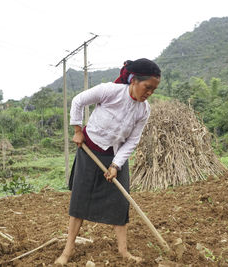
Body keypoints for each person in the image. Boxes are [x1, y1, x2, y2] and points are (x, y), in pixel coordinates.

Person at [55, 58, 161, 265]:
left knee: (120, 204)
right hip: (89, 152)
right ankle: (67, 252)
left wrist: (115, 165)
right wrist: (77, 130)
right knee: (79, 202)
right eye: (147, 87)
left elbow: (132, 140)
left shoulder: (144, 110)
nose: (149, 93)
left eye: (153, 90)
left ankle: (124, 251)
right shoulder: (110, 91)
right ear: (134, 80)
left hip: (115, 156)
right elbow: (78, 101)